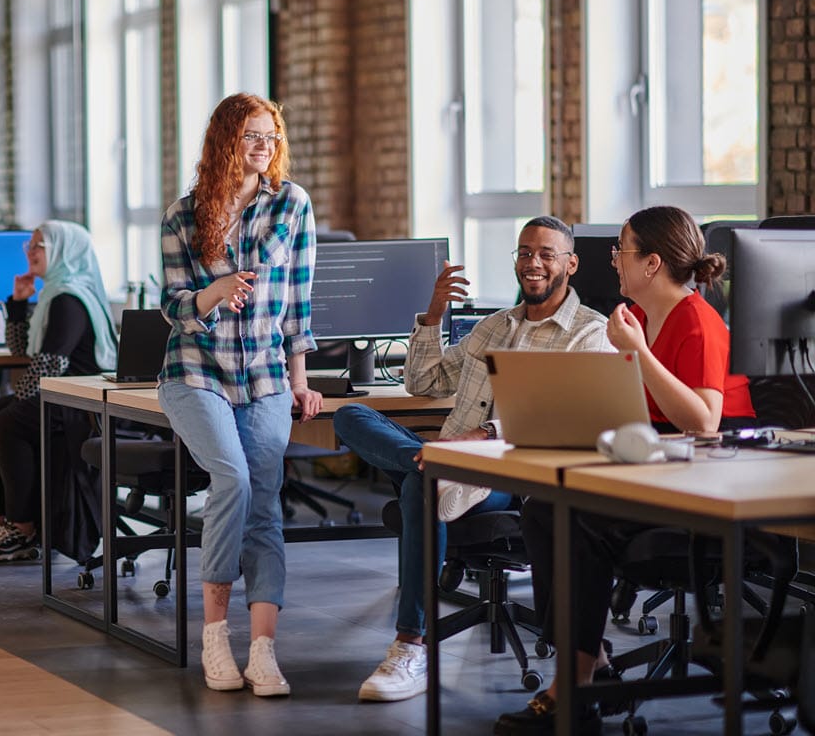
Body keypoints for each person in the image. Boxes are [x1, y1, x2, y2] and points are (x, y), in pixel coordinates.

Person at [496, 205, 756, 736]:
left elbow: (704, 421)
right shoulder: (639, 318)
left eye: (622, 250)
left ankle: (575, 686)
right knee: (543, 508)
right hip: (654, 469)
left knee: (580, 519)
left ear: (653, 263)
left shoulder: (697, 321)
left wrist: (637, 355)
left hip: (703, 484)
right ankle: (591, 664)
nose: (612, 260)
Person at [332, 215, 612, 703]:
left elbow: (570, 419)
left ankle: (410, 645)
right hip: (450, 463)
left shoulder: (589, 334)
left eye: (547, 253)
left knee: (422, 483)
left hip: (513, 478)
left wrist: (483, 433)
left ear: (571, 263)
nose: (533, 263)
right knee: (351, 415)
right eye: (525, 252)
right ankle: (427, 459)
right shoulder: (492, 328)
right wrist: (433, 315)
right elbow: (423, 383)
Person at [157, 93, 322, 697]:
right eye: (251, 136)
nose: (263, 147)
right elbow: (174, 307)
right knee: (232, 479)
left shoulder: (293, 204)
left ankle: (263, 651)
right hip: (194, 370)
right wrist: (216, 289)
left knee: (264, 502)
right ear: (226, 141)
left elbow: (298, 303)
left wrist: (301, 382)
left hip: (267, 378)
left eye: (270, 137)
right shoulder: (184, 215)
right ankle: (214, 637)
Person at [0, 220, 117, 561]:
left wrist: (20, 401)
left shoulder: (69, 299)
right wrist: (17, 303)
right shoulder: (52, 295)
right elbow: (21, 353)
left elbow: (48, 367)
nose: (30, 252)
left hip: (80, 403)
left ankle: (22, 530)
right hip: (59, 394)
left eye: (39, 245)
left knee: (10, 420)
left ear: (63, 251)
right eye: (30, 246)